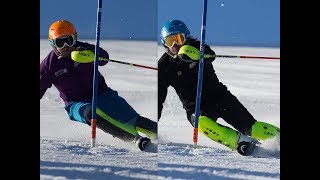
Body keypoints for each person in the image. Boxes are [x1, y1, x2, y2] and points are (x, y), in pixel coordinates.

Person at [158, 19, 279, 155]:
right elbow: (159, 96)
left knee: (251, 127)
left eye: (179, 39)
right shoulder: (164, 67)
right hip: (197, 107)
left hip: (220, 97)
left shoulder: (198, 46)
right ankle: (240, 142)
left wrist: (197, 56)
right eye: (170, 41)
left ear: (186, 37)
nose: (175, 45)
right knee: (201, 122)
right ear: (164, 43)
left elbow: (211, 55)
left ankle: (277, 139)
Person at [40, 20, 157, 151]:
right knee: (91, 113)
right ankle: (134, 139)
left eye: (69, 40)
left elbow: (104, 58)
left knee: (135, 121)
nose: (66, 46)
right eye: (60, 42)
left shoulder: (83, 49)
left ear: (75, 38)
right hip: (76, 103)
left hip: (103, 94)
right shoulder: (48, 66)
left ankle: (158, 137)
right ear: (53, 44)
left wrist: (93, 55)